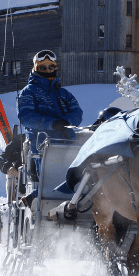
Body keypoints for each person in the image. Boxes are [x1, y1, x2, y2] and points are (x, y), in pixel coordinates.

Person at [17, 50, 83, 208]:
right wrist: (53, 124)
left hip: (67, 142)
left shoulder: (63, 94)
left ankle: (82, 198)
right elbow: (26, 117)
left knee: (80, 172)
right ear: (35, 68)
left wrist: (66, 123)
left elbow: (77, 112)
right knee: (52, 175)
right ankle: (39, 196)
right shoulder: (28, 92)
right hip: (41, 144)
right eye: (42, 67)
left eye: (50, 66)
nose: (47, 70)